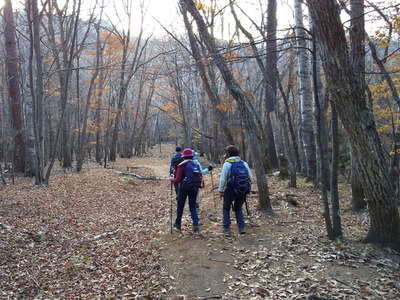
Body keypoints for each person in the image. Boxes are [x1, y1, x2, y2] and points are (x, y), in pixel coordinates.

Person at [218, 145, 252, 235]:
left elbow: (223, 179)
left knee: (226, 208)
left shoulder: (227, 164)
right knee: (238, 208)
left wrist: (221, 190)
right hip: (242, 189)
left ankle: (226, 229)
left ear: (228, 154)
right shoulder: (244, 163)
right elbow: (250, 177)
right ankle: (241, 228)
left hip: (230, 190)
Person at [171, 148, 202, 233]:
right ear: (192, 156)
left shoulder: (182, 165)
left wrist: (171, 179)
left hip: (184, 187)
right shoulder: (195, 164)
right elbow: (200, 175)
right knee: (192, 206)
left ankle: (178, 224)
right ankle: (196, 224)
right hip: (195, 187)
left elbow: (177, 180)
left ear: (184, 156)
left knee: (180, 205)